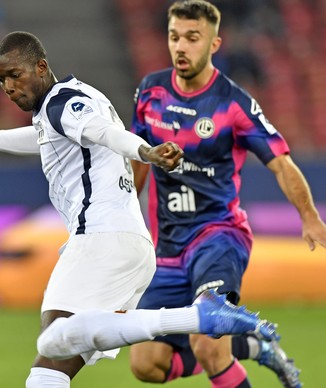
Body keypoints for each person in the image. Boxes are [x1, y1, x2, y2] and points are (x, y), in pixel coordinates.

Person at [0, 30, 279, 388]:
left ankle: (194, 318)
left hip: (100, 238)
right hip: (128, 244)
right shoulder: (66, 105)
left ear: (41, 66)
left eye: (15, 74)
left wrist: (147, 152)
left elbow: (104, 133)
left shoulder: (64, 104)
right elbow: (38, 138)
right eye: (1, 79)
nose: (9, 86)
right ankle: (199, 319)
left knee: (54, 341)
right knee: (53, 363)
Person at [127, 1, 326, 388]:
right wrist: (124, 216)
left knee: (208, 339)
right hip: (166, 246)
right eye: (174, 37)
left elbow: (281, 163)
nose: (181, 47)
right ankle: (252, 347)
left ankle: (224, 344)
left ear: (214, 43)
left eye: (192, 38)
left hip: (218, 237)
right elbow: (138, 156)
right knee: (146, 364)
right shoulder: (149, 92)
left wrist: (310, 216)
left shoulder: (234, 104)